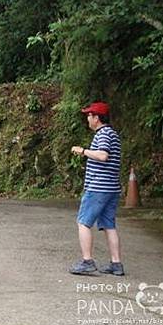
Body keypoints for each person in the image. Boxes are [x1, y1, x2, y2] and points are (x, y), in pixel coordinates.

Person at [69, 101, 124, 276]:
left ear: (97, 118)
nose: (87, 119)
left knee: (83, 222)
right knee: (109, 225)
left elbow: (102, 155)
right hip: (111, 188)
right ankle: (116, 264)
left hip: (98, 187)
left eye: (89, 116)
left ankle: (87, 261)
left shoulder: (103, 134)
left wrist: (83, 151)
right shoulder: (113, 134)